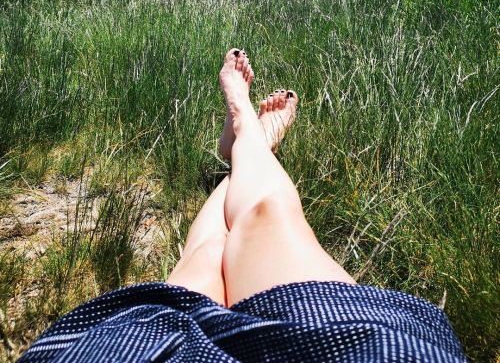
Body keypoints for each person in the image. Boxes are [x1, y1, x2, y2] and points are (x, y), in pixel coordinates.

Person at [20, 49, 466, 362]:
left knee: (208, 257)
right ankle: (252, 139)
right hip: (344, 344)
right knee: (264, 215)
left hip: (139, 350)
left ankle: (245, 135)